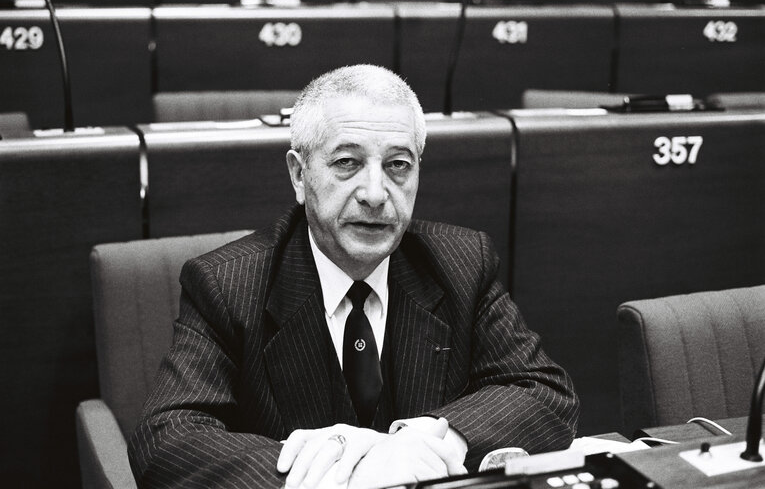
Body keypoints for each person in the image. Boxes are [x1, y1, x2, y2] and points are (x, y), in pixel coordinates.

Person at [128, 64, 579, 489]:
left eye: (398, 165)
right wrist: (340, 474)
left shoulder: (462, 263)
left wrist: (426, 440)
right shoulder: (227, 285)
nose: (375, 194)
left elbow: (544, 391)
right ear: (299, 175)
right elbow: (166, 439)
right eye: (347, 162)